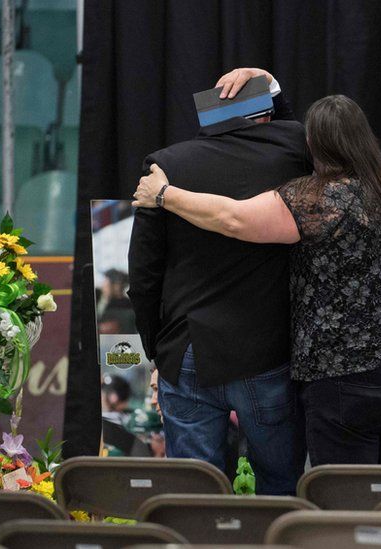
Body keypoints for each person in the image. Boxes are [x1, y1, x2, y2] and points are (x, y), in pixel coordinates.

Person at [133, 89, 381, 466]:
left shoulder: (316, 200)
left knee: (345, 505)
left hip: (347, 379)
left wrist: (163, 194)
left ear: (311, 144)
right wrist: (270, 87)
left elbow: (233, 219)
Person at [127, 68, 311, 495]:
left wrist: (159, 349)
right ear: (266, 115)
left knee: (194, 496)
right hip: (268, 351)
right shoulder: (293, 151)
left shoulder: (167, 166)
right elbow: (290, 127)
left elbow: (144, 273)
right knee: (280, 486)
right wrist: (269, 84)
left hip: (188, 348)